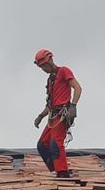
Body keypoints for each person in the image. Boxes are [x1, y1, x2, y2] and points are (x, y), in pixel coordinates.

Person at [32, 49, 82, 178]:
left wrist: (73, 106)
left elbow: (77, 88)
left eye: (44, 66)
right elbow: (50, 105)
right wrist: (40, 116)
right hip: (53, 116)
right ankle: (55, 169)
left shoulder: (63, 71)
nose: (44, 69)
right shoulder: (51, 80)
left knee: (55, 142)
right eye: (41, 67)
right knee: (42, 145)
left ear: (50, 61)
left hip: (62, 115)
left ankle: (62, 172)